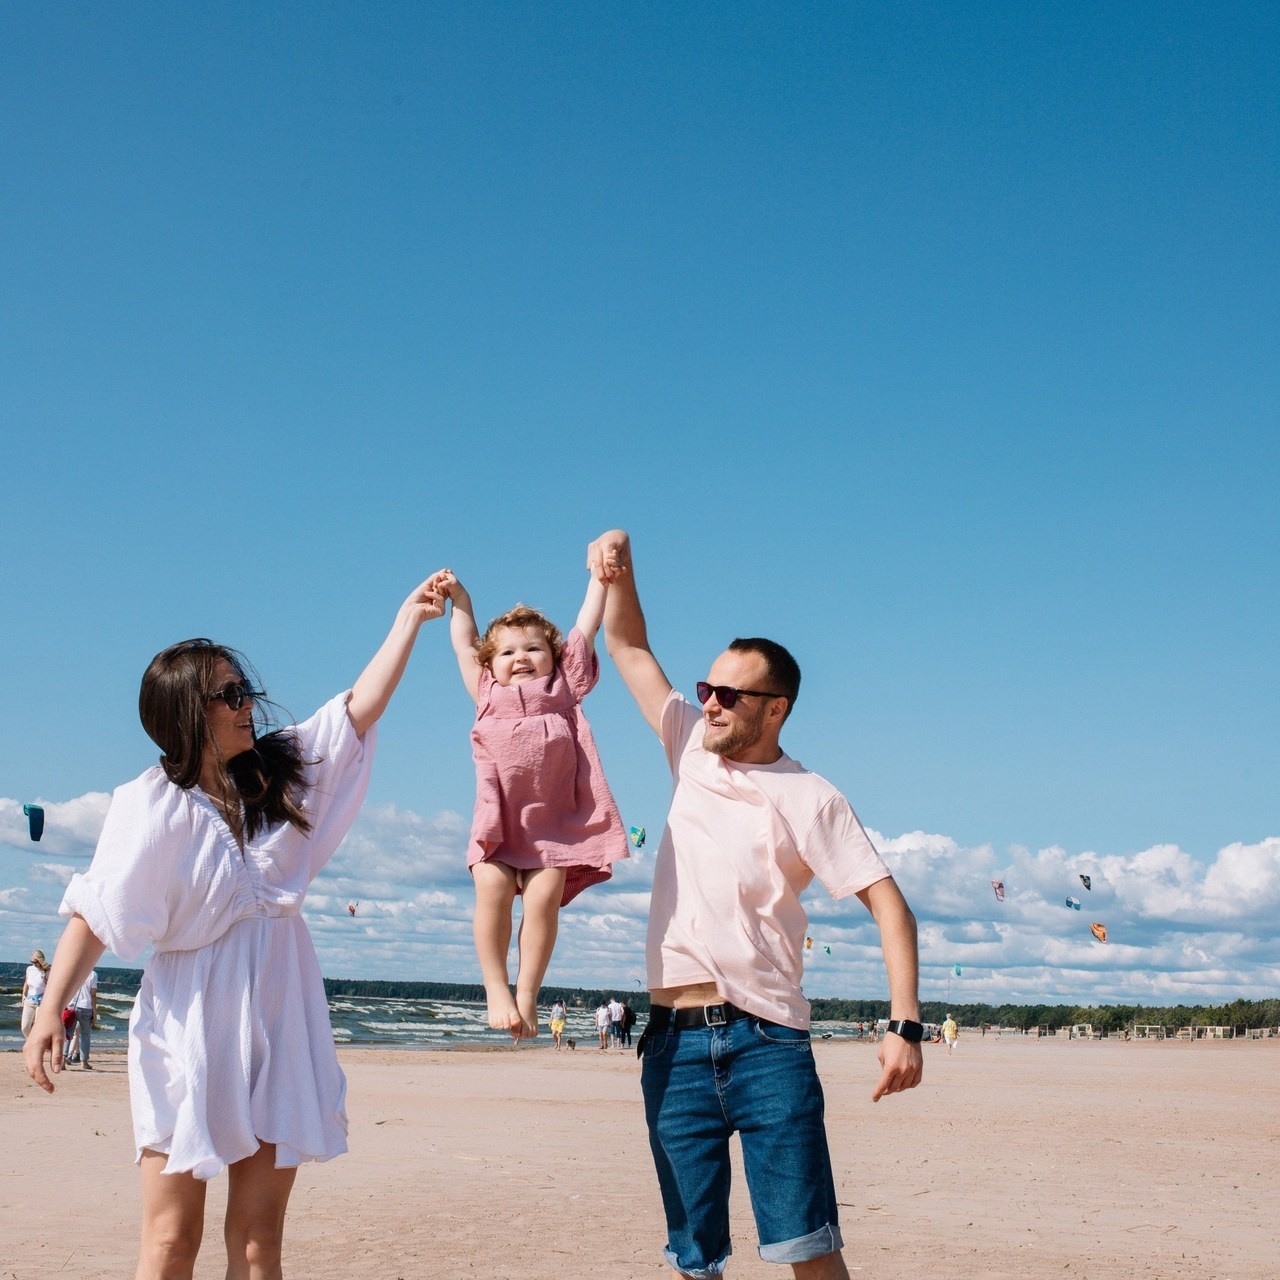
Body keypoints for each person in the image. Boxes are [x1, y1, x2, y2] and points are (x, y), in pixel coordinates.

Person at [23, 572, 448, 1280]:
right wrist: (47, 1015)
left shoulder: (279, 774)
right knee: (170, 1241)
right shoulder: (151, 803)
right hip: (189, 1022)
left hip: (282, 1015)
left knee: (258, 1241)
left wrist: (408, 620)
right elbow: (98, 910)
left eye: (242, 687)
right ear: (187, 712)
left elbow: (354, 713)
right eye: (227, 694)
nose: (245, 702)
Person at [589, 529, 923, 1280]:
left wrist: (904, 1024)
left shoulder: (812, 796)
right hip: (671, 1045)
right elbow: (630, 648)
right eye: (706, 689)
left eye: (727, 695)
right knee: (694, 1258)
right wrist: (620, 572)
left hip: (768, 1044)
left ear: (775, 710)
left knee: (808, 1247)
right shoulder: (688, 746)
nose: (707, 703)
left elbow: (891, 908)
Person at [439, 567, 628, 1041]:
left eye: (533, 649)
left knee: (543, 901)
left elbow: (588, 624)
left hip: (555, 831)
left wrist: (600, 580)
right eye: (506, 652)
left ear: (555, 657)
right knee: (494, 892)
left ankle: (527, 995)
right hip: (497, 826)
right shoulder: (486, 693)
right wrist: (461, 597)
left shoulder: (564, 691)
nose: (520, 658)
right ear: (491, 662)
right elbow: (464, 642)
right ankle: (494, 989)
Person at [64, 969, 98, 1068]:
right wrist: (94, 1012)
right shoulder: (92, 974)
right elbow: (93, 994)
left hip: (72, 1006)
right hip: (85, 1007)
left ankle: (63, 1058)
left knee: (68, 1034)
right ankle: (84, 1061)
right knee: (85, 1035)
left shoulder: (74, 971)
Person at [20, 948, 49, 1038]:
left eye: (35, 962)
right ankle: (30, 1042)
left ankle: (35, 1045)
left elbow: (51, 987)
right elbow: (26, 983)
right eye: (32, 962)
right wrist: (23, 996)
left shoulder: (47, 971)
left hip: (41, 1001)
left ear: (40, 961)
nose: (34, 964)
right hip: (29, 999)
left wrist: (45, 978)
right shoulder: (29, 969)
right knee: (24, 1027)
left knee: (37, 1026)